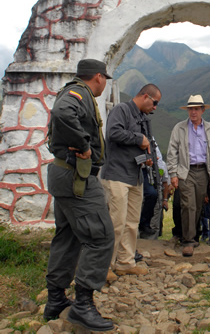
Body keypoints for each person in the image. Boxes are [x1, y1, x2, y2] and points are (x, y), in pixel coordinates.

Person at [44, 59, 115, 332]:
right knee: (101, 236)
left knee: (68, 235)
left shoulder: (75, 91)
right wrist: (84, 145)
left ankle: (56, 300)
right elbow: (62, 113)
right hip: (77, 178)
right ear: (98, 77)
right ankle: (83, 306)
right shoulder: (78, 93)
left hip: (63, 175)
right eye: (105, 79)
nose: (105, 83)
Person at [101, 84, 162, 275]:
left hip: (136, 175)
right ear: (145, 96)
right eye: (155, 102)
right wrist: (139, 139)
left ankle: (125, 263)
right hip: (117, 174)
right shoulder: (121, 110)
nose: (155, 107)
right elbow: (113, 133)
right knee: (116, 222)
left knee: (131, 222)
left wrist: (147, 156)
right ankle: (105, 267)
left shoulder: (143, 118)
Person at [167, 94, 210, 257]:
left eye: (196, 109)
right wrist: (173, 173)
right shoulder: (180, 128)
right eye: (191, 109)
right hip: (186, 171)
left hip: (203, 171)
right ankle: (188, 240)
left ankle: (193, 236)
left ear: (202, 110)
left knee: (197, 206)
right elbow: (172, 151)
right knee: (188, 204)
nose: (193, 112)